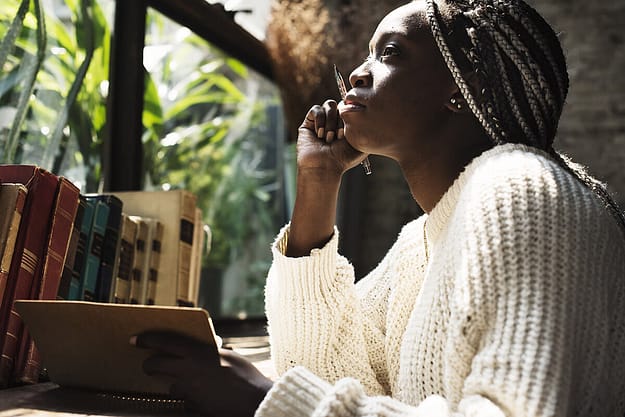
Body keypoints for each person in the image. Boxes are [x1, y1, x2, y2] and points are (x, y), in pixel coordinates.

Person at [132, 0, 625, 416]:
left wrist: (267, 400)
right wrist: (319, 183)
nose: (358, 73)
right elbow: (320, 370)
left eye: (390, 54)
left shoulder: (522, 191)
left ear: (460, 88)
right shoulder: (422, 240)